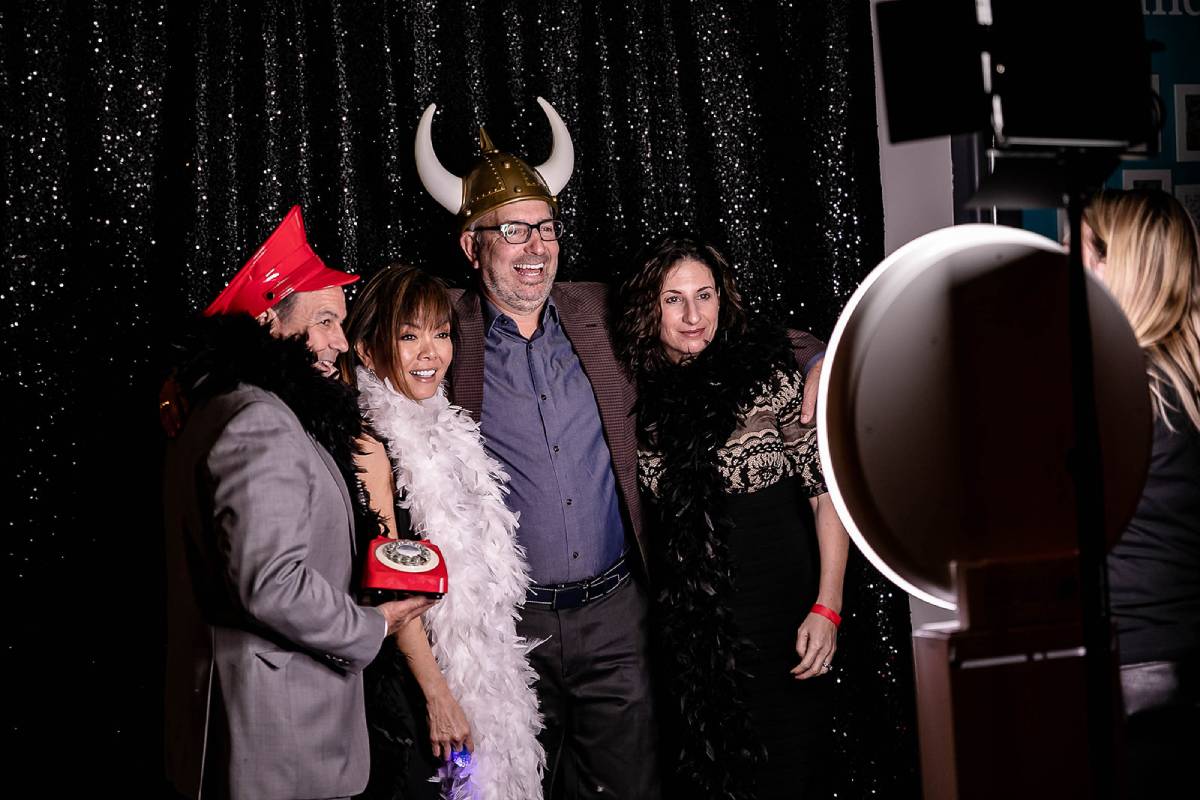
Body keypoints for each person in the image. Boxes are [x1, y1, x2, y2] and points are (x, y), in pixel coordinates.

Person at [413, 99, 827, 799]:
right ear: (470, 247)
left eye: (544, 228)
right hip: (510, 627)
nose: (534, 247)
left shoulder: (598, 310)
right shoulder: (440, 333)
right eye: (511, 231)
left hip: (616, 615)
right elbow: (357, 356)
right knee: (501, 786)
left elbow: (710, 327)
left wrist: (813, 355)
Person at [162, 206, 433, 800]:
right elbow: (270, 583)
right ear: (266, 321)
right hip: (275, 741)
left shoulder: (231, 407)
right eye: (327, 320)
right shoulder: (260, 422)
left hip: (262, 731)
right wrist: (372, 624)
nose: (341, 341)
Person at [615, 233, 849, 800]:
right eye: (674, 299)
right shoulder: (632, 394)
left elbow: (825, 495)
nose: (694, 315)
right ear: (649, 307)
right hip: (694, 632)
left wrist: (829, 605)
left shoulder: (770, 375)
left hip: (785, 612)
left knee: (791, 772)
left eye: (705, 295)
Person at [339, 264, 544, 800]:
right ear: (365, 349)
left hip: (475, 662)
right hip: (414, 678)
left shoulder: (446, 426)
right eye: (408, 336)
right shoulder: (370, 444)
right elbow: (390, 584)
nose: (430, 352)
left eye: (440, 333)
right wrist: (437, 694)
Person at [1081, 189, 1200, 799]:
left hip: (1133, 667)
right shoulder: (1183, 378)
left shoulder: (1121, 386)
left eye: (1084, 256)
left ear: (1115, 267)